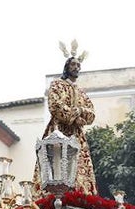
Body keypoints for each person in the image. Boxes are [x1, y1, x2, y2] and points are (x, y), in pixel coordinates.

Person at [33, 48, 97, 195]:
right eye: (73, 64)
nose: (76, 67)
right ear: (67, 66)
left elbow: (91, 114)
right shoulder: (57, 85)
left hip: (76, 136)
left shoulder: (81, 93)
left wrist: (81, 110)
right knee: (55, 168)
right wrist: (75, 117)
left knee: (79, 169)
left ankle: (78, 197)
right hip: (58, 131)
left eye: (78, 65)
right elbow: (55, 106)